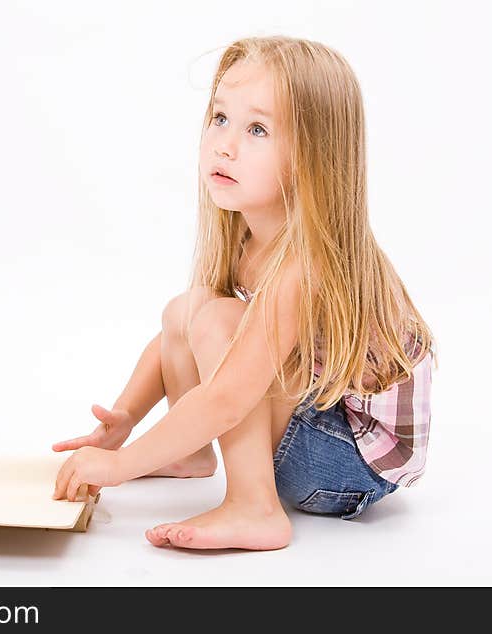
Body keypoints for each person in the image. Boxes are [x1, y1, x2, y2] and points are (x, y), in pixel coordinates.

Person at [50, 35, 437, 551]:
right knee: (189, 310)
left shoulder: (306, 261)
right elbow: (179, 333)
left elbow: (230, 394)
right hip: (316, 422)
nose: (224, 144)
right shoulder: (250, 234)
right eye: (220, 118)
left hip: (350, 462)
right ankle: (188, 455)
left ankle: (255, 508)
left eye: (257, 129)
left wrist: (120, 466)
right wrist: (125, 422)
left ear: (313, 157)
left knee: (218, 324)